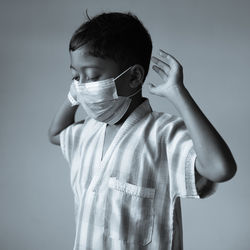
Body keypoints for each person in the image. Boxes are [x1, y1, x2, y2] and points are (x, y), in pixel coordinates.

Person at [48, 11, 237, 250]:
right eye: (76, 76)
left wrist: (178, 94)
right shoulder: (89, 131)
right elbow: (56, 134)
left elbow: (220, 169)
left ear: (135, 76)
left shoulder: (164, 134)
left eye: (93, 76)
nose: (82, 85)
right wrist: (75, 94)